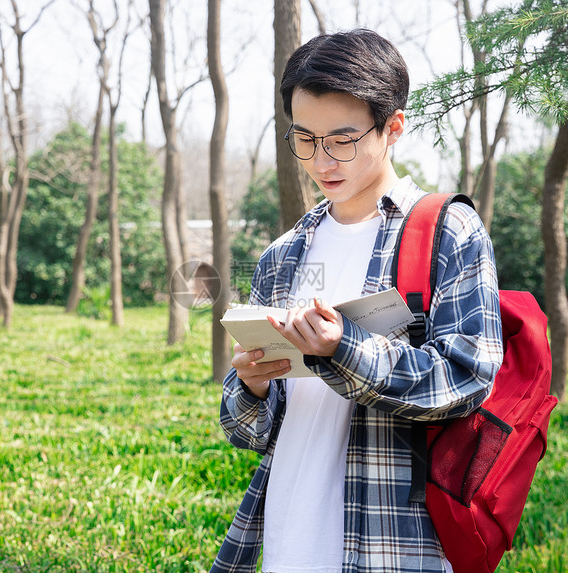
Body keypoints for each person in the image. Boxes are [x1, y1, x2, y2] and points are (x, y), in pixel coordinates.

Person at [210, 29, 504, 573]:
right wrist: (251, 383)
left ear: (392, 127)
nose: (322, 160)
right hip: (283, 535)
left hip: (389, 540)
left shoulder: (446, 230)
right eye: (304, 139)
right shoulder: (283, 255)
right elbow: (247, 432)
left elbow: (466, 380)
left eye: (342, 139)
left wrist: (344, 348)